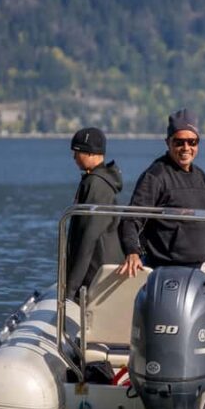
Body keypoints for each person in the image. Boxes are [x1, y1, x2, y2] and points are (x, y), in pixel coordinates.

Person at [117, 108, 205, 277]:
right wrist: (132, 252)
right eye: (179, 142)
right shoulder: (155, 176)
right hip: (163, 270)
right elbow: (131, 219)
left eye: (192, 142)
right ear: (168, 142)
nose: (186, 148)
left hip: (197, 271)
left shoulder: (201, 178)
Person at [66, 127, 124, 301]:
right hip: (98, 270)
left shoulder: (96, 185)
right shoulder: (97, 181)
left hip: (95, 274)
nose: (74, 157)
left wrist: (71, 288)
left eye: (77, 152)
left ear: (90, 153)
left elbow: (88, 238)